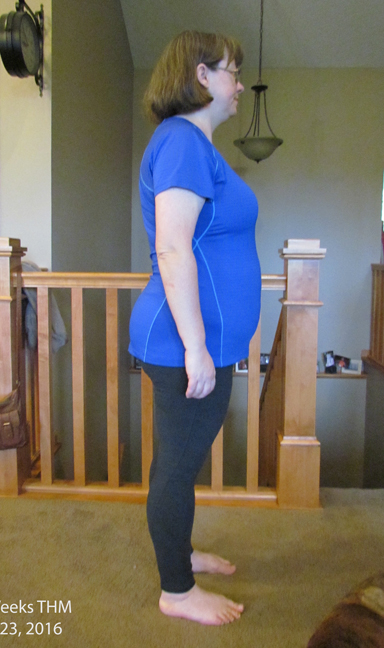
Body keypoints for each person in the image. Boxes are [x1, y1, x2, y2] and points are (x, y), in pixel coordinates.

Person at [129, 30, 261, 626]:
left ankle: (179, 555)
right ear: (202, 75)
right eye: (233, 71)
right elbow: (173, 248)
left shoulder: (194, 146)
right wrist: (196, 348)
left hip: (197, 340)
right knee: (177, 468)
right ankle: (177, 592)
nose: (240, 85)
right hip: (182, 341)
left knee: (178, 463)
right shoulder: (182, 140)